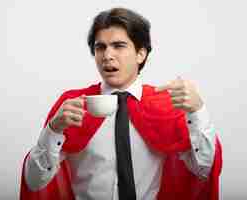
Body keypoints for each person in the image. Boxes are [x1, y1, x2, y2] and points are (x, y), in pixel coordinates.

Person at [20, 7, 222, 200]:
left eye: (119, 46)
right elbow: (34, 182)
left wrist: (198, 111)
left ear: (140, 54)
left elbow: (204, 170)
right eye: (100, 47)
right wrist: (53, 129)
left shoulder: (167, 106)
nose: (107, 55)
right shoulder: (73, 105)